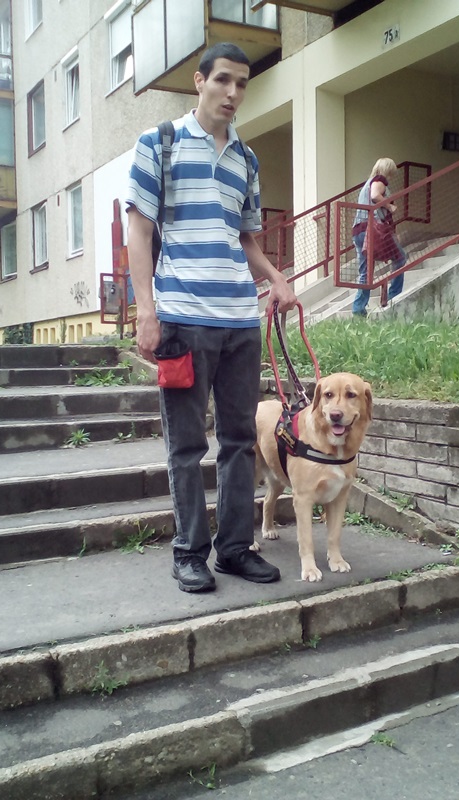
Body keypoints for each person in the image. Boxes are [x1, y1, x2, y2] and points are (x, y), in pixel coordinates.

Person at [126, 42, 297, 594]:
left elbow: (244, 236)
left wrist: (274, 277)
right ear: (199, 82)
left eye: (242, 83)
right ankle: (189, 551)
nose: (233, 92)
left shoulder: (246, 160)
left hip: (241, 322)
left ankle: (233, 549)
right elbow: (140, 231)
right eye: (223, 80)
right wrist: (146, 311)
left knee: (241, 438)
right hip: (183, 318)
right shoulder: (160, 144)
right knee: (185, 444)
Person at [351, 157, 407, 317]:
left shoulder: (367, 184)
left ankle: (358, 309)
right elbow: (376, 196)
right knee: (400, 258)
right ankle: (393, 296)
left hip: (359, 230)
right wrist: (389, 205)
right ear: (388, 170)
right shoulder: (379, 180)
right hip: (374, 229)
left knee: (365, 273)